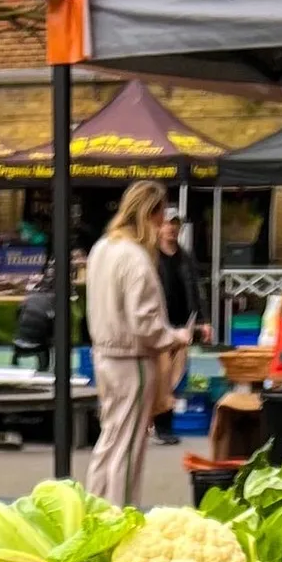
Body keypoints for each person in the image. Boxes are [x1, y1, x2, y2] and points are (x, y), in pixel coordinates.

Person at [83, 179, 188, 506]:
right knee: (128, 445)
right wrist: (174, 337)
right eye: (161, 215)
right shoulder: (136, 258)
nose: (163, 225)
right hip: (132, 359)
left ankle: (95, 509)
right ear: (152, 214)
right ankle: (120, 515)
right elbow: (144, 323)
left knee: (110, 438)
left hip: (104, 355)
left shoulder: (102, 247)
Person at [151, 211, 205, 444]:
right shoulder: (151, 256)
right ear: (159, 227)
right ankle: (160, 427)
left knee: (173, 378)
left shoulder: (185, 257)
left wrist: (202, 321)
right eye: (166, 224)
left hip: (183, 326)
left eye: (175, 224)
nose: (171, 228)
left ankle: (164, 425)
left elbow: (195, 290)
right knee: (161, 377)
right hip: (159, 325)